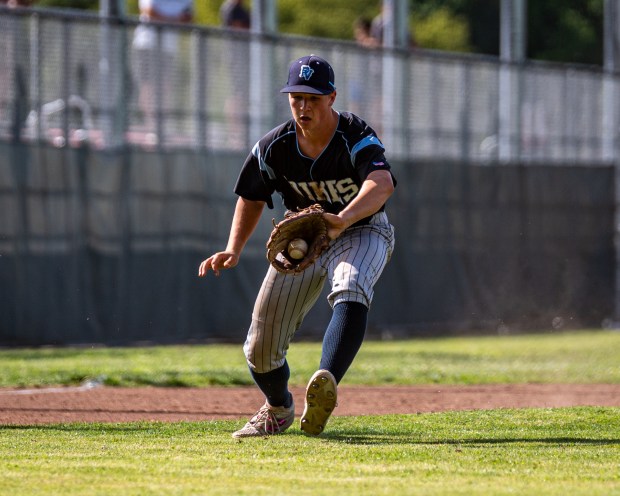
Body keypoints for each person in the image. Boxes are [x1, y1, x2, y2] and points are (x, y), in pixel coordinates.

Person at [198, 55, 396, 438]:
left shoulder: (353, 134)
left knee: (350, 283)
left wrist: (345, 217)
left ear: (332, 97)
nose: (304, 106)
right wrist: (233, 248)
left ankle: (326, 383)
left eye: (314, 98)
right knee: (259, 346)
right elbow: (251, 196)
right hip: (303, 239)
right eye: (296, 98)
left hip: (361, 229)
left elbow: (382, 183)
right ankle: (278, 409)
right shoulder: (276, 146)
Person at [131, 0, 193, 138]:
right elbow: (149, 12)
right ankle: (151, 127)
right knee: (148, 87)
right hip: (147, 44)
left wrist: (165, 20)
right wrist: (173, 20)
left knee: (165, 87)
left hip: (168, 48)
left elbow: (188, 17)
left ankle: (161, 127)